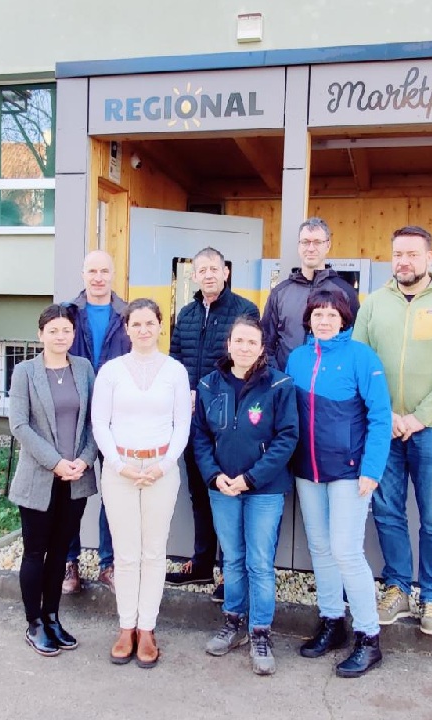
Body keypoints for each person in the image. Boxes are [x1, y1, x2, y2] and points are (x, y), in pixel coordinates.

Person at [352, 225, 432, 636]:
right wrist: (387, 415)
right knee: (387, 511)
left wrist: (420, 416)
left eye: (412, 254)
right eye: (397, 254)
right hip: (384, 428)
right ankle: (398, 587)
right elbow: (360, 361)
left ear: (429, 258)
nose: (403, 261)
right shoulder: (373, 304)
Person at [286, 288, 392, 679]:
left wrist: (372, 469)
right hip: (308, 472)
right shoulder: (297, 358)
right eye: (318, 314)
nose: (324, 321)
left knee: (346, 551)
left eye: (332, 314)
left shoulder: (361, 358)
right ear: (309, 320)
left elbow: (381, 416)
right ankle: (332, 621)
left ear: (345, 319)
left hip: (350, 472)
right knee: (320, 548)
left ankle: (369, 637)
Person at [193, 316, 299, 676]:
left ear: (261, 348)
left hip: (264, 490)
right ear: (228, 344)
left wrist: (251, 479)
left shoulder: (280, 384)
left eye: (251, 343)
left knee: (259, 561)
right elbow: (201, 438)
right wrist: (214, 475)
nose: (244, 348)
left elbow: (287, 438)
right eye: (238, 341)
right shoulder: (209, 384)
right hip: (222, 488)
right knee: (233, 559)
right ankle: (233, 620)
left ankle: (261, 632)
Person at [91, 298, 192, 668]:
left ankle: (147, 628)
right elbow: (100, 423)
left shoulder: (175, 371)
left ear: (160, 326)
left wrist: (165, 465)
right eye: (137, 324)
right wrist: (118, 465)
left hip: (161, 470)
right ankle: (125, 627)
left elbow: (182, 424)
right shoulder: (112, 371)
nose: (144, 330)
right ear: (127, 328)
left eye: (150, 323)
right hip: (121, 470)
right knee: (126, 552)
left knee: (153, 552)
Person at [166, 248, 260, 594]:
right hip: (194, 420)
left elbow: (246, 360)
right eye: (201, 269)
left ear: (226, 272)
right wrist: (185, 391)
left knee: (232, 492)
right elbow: (175, 360)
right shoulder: (187, 314)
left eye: (214, 269)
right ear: (194, 275)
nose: (208, 274)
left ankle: (232, 573)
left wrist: (206, 392)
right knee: (201, 491)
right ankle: (203, 565)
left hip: (230, 418)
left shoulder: (244, 311)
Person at [7, 304, 98, 657]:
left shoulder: (84, 369)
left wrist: (84, 461)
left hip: (76, 479)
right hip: (38, 478)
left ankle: (53, 617)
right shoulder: (25, 372)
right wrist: (56, 462)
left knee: (60, 552)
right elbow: (19, 425)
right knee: (35, 552)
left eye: (67, 331)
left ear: (74, 335)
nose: (61, 337)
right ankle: (34, 623)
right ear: (41, 334)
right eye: (54, 331)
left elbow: (93, 421)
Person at [60, 250, 130, 596]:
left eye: (104, 270)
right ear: (83, 273)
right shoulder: (68, 313)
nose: (98, 277)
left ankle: (109, 563)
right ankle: (70, 561)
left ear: (113, 274)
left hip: (116, 417)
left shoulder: (127, 314)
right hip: (75, 414)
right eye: (92, 271)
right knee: (73, 490)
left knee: (115, 492)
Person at [262, 217, 360, 370]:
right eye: (305, 242)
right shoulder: (280, 293)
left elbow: (354, 341)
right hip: (288, 382)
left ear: (327, 246)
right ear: (298, 246)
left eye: (317, 242)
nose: (311, 248)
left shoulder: (345, 292)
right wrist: (277, 376)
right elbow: (266, 341)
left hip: (329, 383)